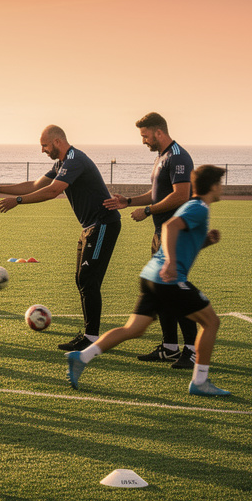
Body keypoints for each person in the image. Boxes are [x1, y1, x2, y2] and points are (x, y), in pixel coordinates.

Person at [66, 165, 231, 397]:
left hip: (151, 277)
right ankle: (200, 380)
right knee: (211, 322)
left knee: (133, 329)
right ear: (212, 186)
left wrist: (206, 241)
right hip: (169, 279)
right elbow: (169, 226)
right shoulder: (199, 208)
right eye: (220, 184)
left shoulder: (193, 207)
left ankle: (82, 357)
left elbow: (183, 240)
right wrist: (171, 263)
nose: (221, 188)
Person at [0, 125, 121, 351]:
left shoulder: (75, 159)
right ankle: (90, 335)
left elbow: (52, 191)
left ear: (57, 142)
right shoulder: (61, 163)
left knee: (88, 279)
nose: (42, 150)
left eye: (44, 145)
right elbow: (36, 185)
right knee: (81, 279)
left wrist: (18, 201)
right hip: (90, 227)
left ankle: (91, 337)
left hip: (103, 225)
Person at [104, 112, 197, 368]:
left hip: (177, 233)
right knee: (162, 289)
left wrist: (147, 211)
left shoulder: (178, 156)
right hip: (162, 234)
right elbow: (157, 194)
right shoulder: (162, 157)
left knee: (175, 290)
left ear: (158, 132)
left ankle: (192, 350)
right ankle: (169, 347)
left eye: (145, 136)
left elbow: (180, 195)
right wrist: (130, 201)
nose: (143, 141)